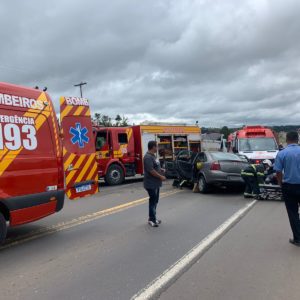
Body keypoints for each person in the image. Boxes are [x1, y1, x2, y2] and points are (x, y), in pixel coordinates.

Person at [274, 131, 300, 247]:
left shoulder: (282, 153)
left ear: (287, 140)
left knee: (293, 213)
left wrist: (280, 184)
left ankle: (298, 239)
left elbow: (278, 171)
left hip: (289, 186)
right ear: (297, 139)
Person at [143, 141, 166, 227]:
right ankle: (152, 220)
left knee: (155, 201)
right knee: (153, 201)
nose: (157, 148)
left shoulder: (153, 156)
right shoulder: (147, 157)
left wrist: (161, 170)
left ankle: (153, 217)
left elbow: (155, 167)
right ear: (153, 147)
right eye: (156, 147)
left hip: (156, 183)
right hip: (151, 184)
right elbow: (151, 170)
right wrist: (161, 176)